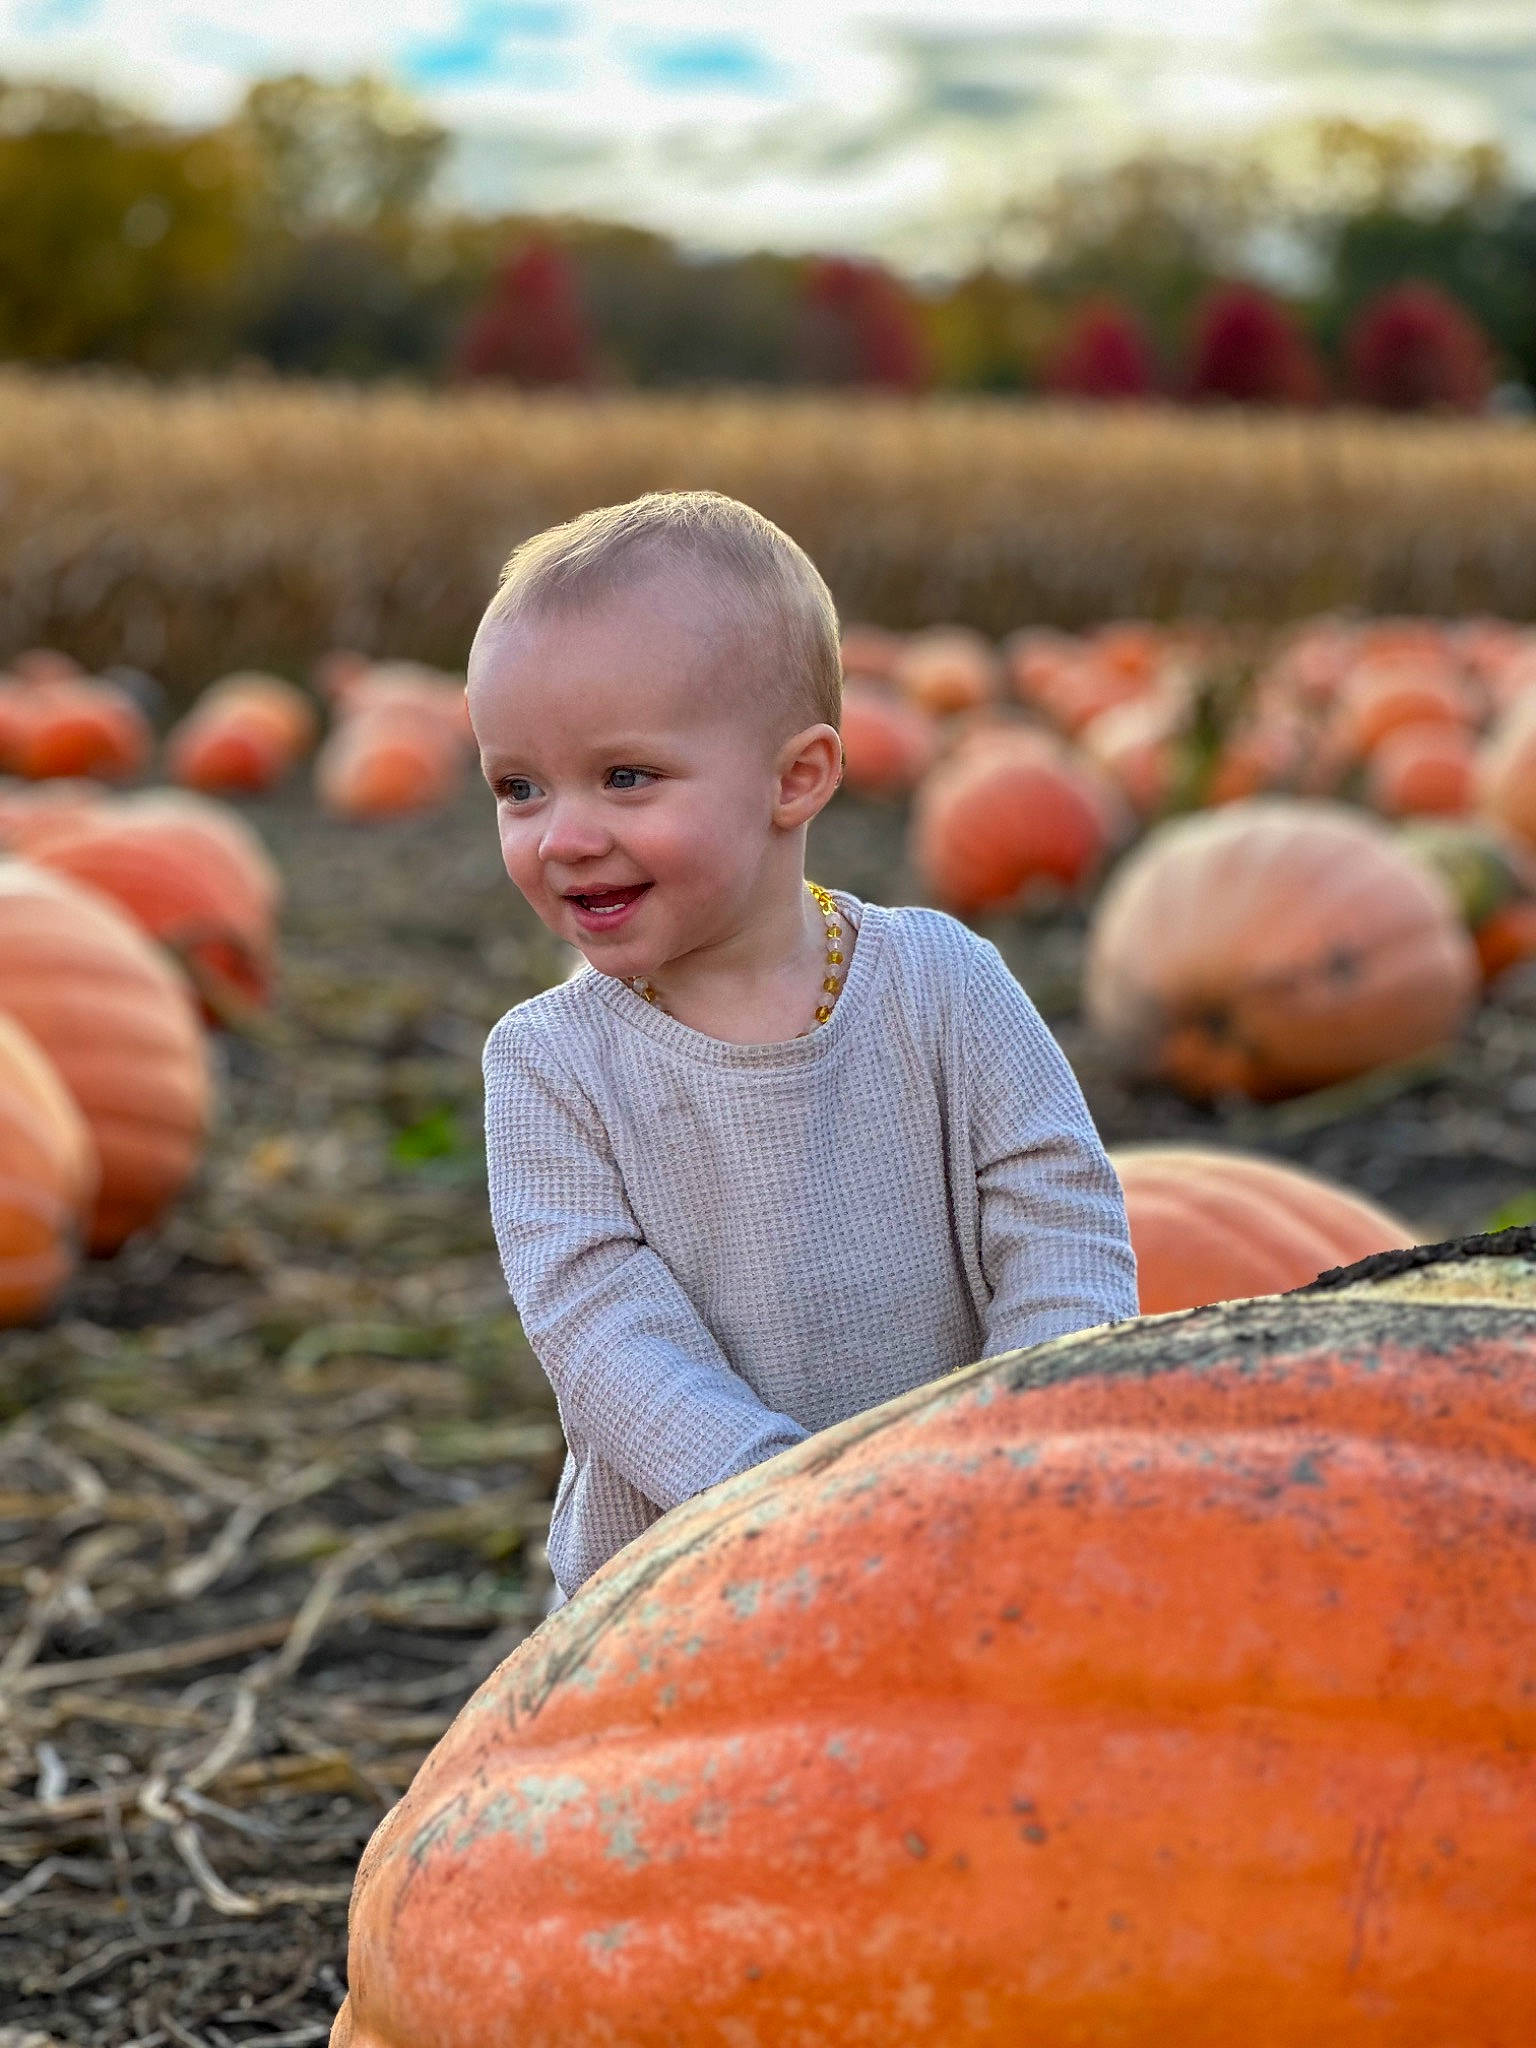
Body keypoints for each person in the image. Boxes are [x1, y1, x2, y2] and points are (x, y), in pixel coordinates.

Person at [468, 489, 1138, 1615]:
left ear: (798, 779)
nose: (564, 835)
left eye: (625, 775)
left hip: (971, 1542)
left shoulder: (945, 984)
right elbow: (603, 1329)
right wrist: (785, 1504)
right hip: (684, 1597)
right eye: (517, 787)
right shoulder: (549, 1065)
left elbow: (1059, 1213)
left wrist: (1023, 1439)